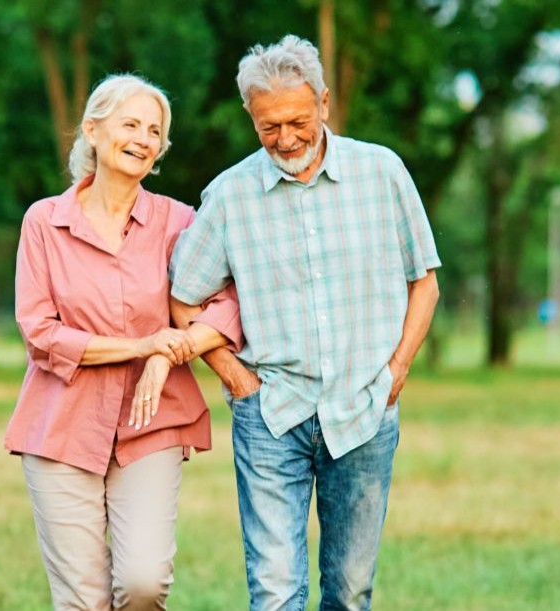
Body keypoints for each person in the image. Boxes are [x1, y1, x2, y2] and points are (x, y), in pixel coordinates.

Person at [166, 36, 442, 611]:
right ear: (251, 116)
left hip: (364, 410)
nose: (285, 138)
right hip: (271, 416)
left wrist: (397, 369)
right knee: (273, 594)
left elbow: (426, 282)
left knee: (349, 591)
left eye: (297, 120)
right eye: (269, 127)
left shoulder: (382, 171)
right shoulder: (230, 195)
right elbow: (183, 297)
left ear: (323, 101)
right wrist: (235, 378)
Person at [7, 74, 245, 611]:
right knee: (83, 600)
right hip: (61, 428)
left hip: (153, 422)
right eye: (130, 124)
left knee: (143, 582)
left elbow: (231, 299)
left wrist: (175, 351)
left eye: (155, 130)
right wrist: (145, 347)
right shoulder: (45, 222)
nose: (143, 137)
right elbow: (42, 334)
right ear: (92, 130)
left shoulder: (180, 222)